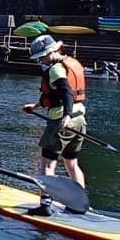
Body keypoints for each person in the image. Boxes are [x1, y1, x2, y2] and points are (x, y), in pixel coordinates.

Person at [20, 34, 87, 206]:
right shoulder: (70, 63)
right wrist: (34, 107)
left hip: (62, 121)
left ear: (51, 52)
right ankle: (79, 203)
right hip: (79, 120)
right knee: (72, 164)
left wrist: (66, 115)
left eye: (41, 56)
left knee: (47, 165)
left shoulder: (56, 69)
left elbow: (66, 92)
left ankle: (45, 204)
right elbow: (55, 96)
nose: (41, 60)